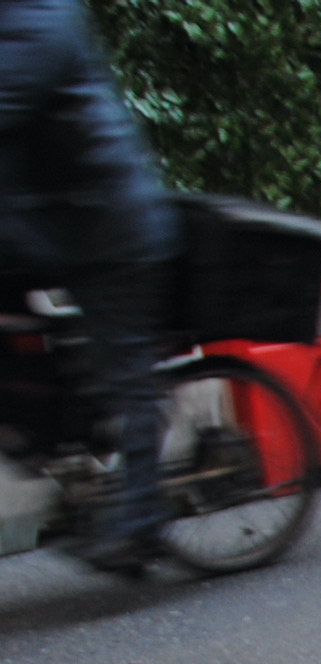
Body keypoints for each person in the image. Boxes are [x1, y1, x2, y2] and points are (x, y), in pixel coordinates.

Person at [0, 0, 178, 573]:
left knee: (129, 377)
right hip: (57, 224)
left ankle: (141, 526)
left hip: (110, 228)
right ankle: (48, 418)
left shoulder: (42, 18)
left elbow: (6, 102)